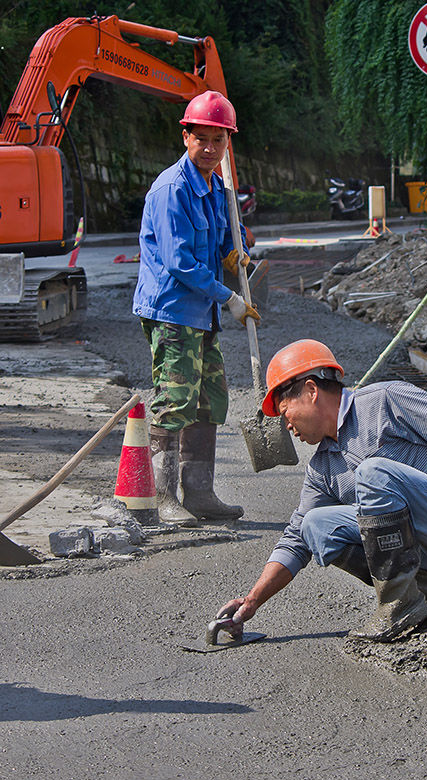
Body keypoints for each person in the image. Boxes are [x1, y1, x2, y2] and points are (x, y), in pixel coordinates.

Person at [215, 339, 427, 643]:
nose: (287, 426)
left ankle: (398, 605)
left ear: (311, 390)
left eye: (286, 412)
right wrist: (253, 599)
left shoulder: (384, 400)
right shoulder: (322, 469)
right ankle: (419, 584)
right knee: (314, 525)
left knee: (373, 472)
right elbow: (295, 541)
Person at [133, 90, 260, 526]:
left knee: (209, 399)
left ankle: (200, 493)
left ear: (228, 143)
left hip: (201, 312)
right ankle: (164, 497)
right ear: (185, 136)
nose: (209, 149)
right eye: (201, 139)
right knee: (175, 399)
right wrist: (230, 298)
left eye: (218, 141)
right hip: (172, 310)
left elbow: (229, 233)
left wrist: (236, 250)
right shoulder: (171, 190)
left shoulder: (215, 188)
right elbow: (179, 261)